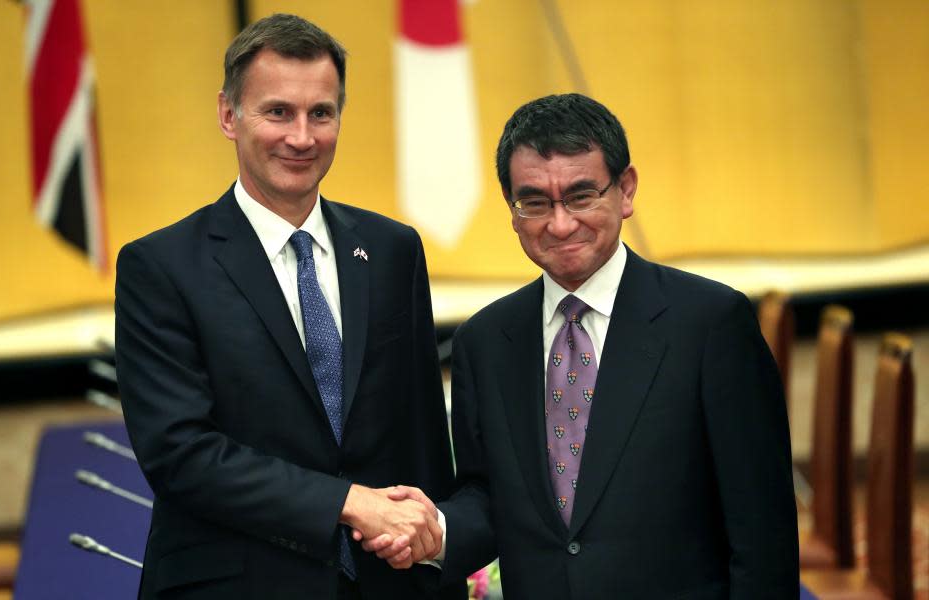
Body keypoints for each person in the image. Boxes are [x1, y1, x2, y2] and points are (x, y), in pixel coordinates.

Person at [370, 93, 799, 597]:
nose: (560, 223)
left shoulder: (709, 324)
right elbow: (490, 497)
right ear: (510, 209)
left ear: (626, 189)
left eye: (580, 196)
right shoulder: (484, 342)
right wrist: (435, 532)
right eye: (534, 202)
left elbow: (761, 530)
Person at [115, 14, 463, 600]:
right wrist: (347, 504)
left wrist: (440, 569)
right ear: (229, 115)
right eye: (277, 111)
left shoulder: (391, 249)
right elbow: (181, 454)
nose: (302, 137)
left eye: (320, 114)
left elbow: (422, 437)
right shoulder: (161, 267)